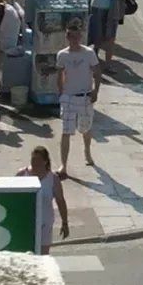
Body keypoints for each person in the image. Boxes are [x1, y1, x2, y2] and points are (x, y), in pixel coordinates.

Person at [56, 21, 100, 174]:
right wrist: (61, 92)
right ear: (67, 37)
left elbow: (96, 72)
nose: (74, 39)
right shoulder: (62, 55)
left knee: (85, 128)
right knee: (66, 131)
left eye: (76, 36)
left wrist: (95, 91)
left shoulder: (88, 53)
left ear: (80, 36)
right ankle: (64, 165)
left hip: (85, 96)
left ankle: (87, 150)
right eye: (70, 36)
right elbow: (60, 74)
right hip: (68, 97)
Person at [21, 147, 69, 251]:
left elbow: (60, 201)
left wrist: (65, 222)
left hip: (45, 223)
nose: (34, 163)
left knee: (43, 256)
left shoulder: (53, 179)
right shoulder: (22, 175)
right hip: (26, 222)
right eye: (33, 160)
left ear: (45, 162)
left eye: (38, 161)